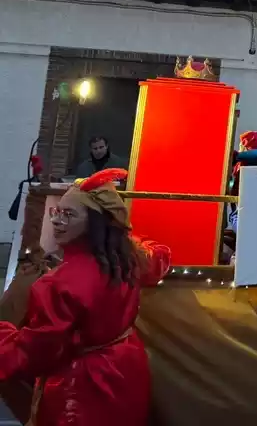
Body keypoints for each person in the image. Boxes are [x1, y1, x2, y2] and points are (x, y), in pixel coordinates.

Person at [0, 168, 171, 425]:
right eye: (57, 211)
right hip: (126, 370)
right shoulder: (129, 259)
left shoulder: (59, 283)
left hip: (82, 388)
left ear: (94, 221)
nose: (57, 221)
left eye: (69, 214)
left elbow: (38, 350)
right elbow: (160, 255)